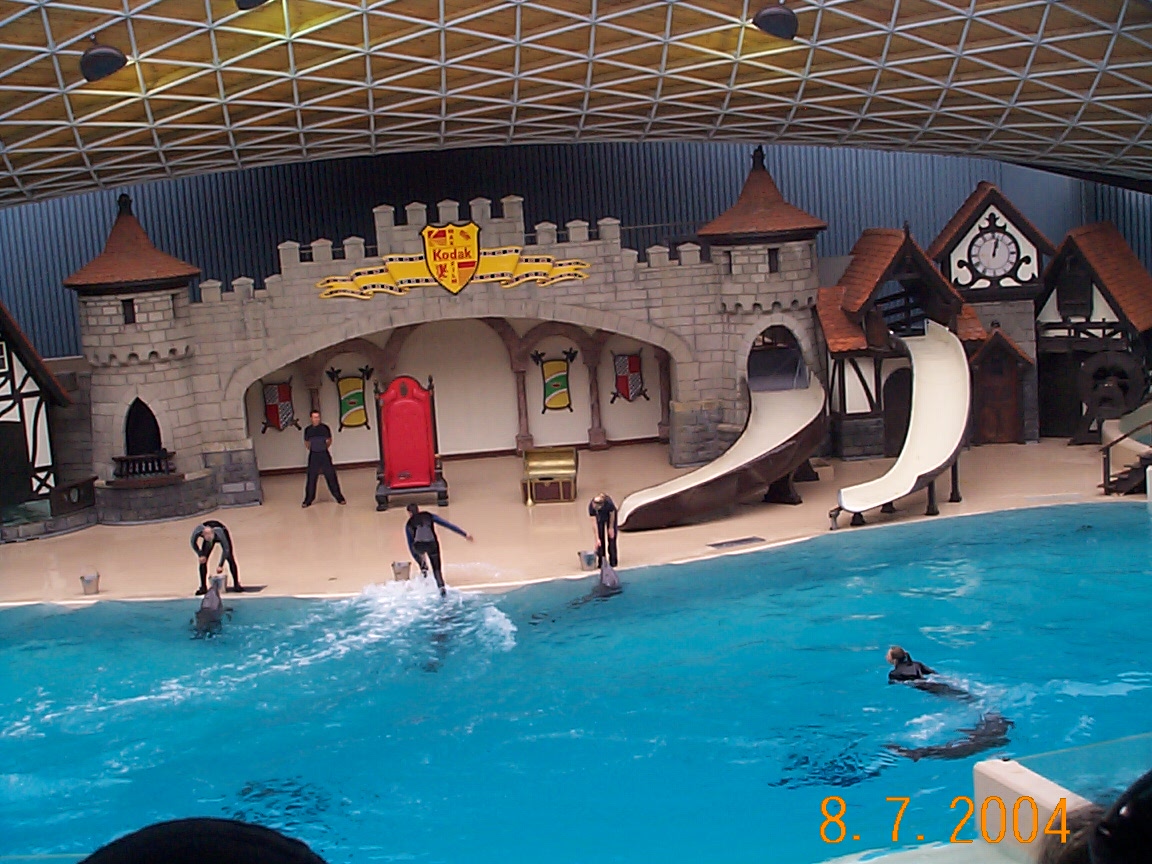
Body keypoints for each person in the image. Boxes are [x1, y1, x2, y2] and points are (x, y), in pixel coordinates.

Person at [404, 503, 473, 597]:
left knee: (422, 564)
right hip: (432, 544)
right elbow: (447, 524)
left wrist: (417, 559)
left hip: (419, 547)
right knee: (437, 569)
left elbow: (410, 543)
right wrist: (464, 534)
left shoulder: (409, 524)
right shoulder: (428, 516)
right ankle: (441, 589)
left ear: (409, 513)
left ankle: (424, 577)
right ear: (418, 509)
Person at [302, 410, 345, 508]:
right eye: (314, 417)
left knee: (331, 476)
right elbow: (307, 443)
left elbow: (329, 440)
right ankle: (308, 500)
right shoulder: (308, 430)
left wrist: (323, 448)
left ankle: (339, 497)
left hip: (324, 454)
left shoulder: (325, 428)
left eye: (318, 417)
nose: (316, 419)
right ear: (311, 418)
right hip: (313, 455)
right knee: (311, 478)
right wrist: (314, 449)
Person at [190, 519, 242, 595]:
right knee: (203, 560)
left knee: (230, 558)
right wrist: (200, 554)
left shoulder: (220, 532)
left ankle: (236, 584)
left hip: (221, 534)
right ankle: (203, 587)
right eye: (207, 538)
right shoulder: (198, 530)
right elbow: (192, 542)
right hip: (209, 537)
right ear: (203, 534)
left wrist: (221, 565)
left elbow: (226, 549)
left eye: (210, 537)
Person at [588, 493, 618, 568]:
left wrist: (611, 528)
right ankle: (601, 561)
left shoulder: (609, 503)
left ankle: (613, 560)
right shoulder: (591, 507)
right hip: (600, 517)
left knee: (611, 537)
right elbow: (594, 523)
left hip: (610, 516)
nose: (594, 506)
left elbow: (612, 515)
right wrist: (597, 538)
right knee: (600, 540)